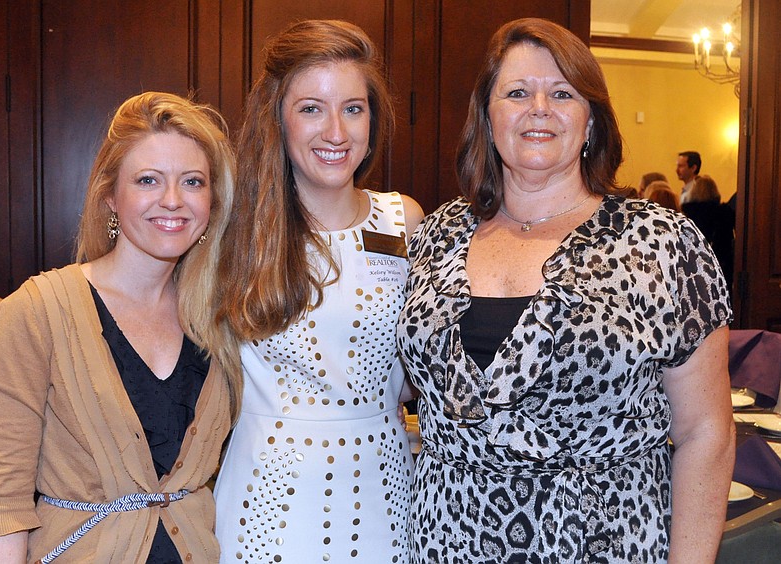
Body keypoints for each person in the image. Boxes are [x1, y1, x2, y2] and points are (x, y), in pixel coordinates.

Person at [397, 17, 734, 563]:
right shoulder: (437, 235)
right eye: (516, 92)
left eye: (562, 93)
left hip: (600, 544)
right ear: (487, 117)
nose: (539, 108)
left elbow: (706, 432)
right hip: (444, 541)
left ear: (592, 121)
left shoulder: (662, 242)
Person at [0, 92, 241, 563]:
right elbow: (2, 501)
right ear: (110, 195)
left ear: (213, 202)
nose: (173, 200)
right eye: (148, 180)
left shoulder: (221, 320)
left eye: (193, 181)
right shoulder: (39, 312)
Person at [212, 19, 424, 563]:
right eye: (311, 108)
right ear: (277, 120)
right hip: (268, 500)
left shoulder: (405, 221)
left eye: (353, 108)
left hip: (385, 487)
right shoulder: (238, 228)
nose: (336, 131)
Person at [681, 175, 735, 292]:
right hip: (720, 265)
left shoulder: (688, 215)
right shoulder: (724, 214)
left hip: (694, 266)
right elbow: (726, 242)